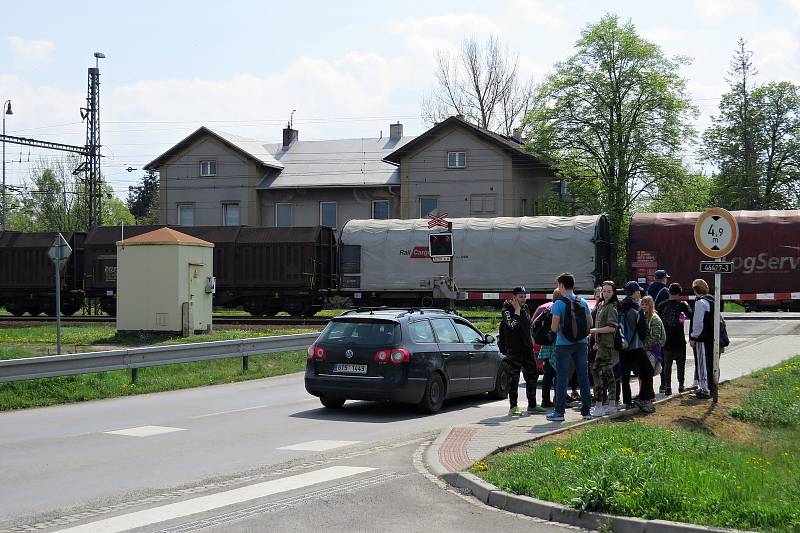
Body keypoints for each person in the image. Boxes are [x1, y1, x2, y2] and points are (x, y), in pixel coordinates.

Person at [546, 273, 593, 422]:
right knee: (583, 376)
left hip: (564, 344)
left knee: (562, 377)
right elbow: (590, 323)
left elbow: (554, 328)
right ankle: (586, 411)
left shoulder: (559, 304)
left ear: (561, 285)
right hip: (582, 343)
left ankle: (559, 412)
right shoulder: (583, 302)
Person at [501, 286, 540, 416]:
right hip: (514, 350)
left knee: (532, 375)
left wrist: (531, 337)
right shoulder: (507, 310)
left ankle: (532, 405)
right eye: (520, 297)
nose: (523, 299)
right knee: (514, 378)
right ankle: (513, 406)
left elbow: (527, 325)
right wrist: (517, 310)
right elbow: (513, 326)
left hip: (527, 348)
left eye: (524, 297)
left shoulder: (526, 308)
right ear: (514, 297)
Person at [619, 281, 655, 413]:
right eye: (638, 291)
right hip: (636, 346)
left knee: (625, 375)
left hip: (622, 346)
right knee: (648, 370)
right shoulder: (636, 309)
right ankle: (644, 398)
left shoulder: (620, 307)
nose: (639, 293)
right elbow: (643, 332)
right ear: (635, 293)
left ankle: (627, 401)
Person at [588, 280, 619, 417]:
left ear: (613, 293)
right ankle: (611, 403)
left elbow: (612, 327)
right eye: (604, 291)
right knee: (608, 372)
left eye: (609, 291)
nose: (606, 294)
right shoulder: (601, 305)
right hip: (601, 343)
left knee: (596, 371)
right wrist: (596, 340)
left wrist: (595, 331)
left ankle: (599, 404)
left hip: (607, 344)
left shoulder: (612, 307)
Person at [657, 283, 692, 394]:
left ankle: (668, 387)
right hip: (679, 339)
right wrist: (687, 305)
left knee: (667, 365)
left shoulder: (661, 305)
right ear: (679, 292)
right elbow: (691, 315)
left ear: (669, 292)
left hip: (666, 340)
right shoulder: (682, 305)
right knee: (680, 364)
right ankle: (681, 385)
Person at [532, 288, 562, 409]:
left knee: (548, 375)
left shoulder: (548, 309)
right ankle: (557, 399)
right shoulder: (559, 309)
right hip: (556, 344)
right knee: (558, 375)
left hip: (546, 345)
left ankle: (545, 400)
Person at [689, 279, 715, 400]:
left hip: (701, 339)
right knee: (709, 363)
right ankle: (710, 387)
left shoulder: (700, 303)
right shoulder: (711, 301)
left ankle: (705, 390)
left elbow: (698, 323)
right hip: (710, 337)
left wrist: (694, 336)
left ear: (695, 290)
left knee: (702, 364)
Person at [640, 295, 666, 411]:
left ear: (651, 305)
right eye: (642, 304)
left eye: (646, 304)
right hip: (647, 350)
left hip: (652, 351)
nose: (644, 307)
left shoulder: (654, 318)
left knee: (648, 374)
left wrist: (644, 348)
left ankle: (649, 397)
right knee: (645, 374)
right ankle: (645, 394)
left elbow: (655, 337)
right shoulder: (644, 316)